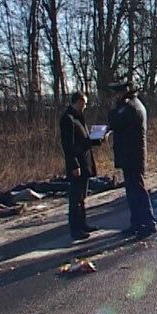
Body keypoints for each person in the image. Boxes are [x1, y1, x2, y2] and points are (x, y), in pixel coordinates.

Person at [107, 80, 157, 238]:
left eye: (118, 93)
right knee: (133, 191)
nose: (117, 96)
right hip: (132, 155)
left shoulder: (130, 107)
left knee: (138, 191)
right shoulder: (133, 105)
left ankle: (148, 223)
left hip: (132, 155)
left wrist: (114, 108)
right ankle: (137, 222)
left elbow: (114, 122)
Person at [60, 90, 99, 241]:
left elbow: (84, 140)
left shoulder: (79, 118)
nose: (85, 106)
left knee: (82, 197)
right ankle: (75, 229)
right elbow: (68, 145)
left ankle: (83, 224)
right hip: (77, 164)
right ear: (77, 102)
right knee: (75, 198)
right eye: (84, 103)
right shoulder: (68, 119)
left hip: (85, 162)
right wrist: (73, 165)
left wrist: (98, 140)